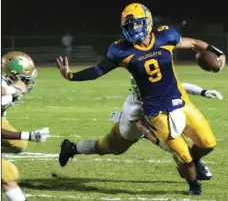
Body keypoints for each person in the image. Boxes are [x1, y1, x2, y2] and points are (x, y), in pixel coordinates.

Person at [56, 3, 226, 195]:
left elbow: (191, 49)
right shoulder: (121, 50)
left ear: (147, 22)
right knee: (113, 146)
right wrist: (72, 76)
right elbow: (98, 70)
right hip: (141, 110)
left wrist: (216, 57)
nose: (133, 29)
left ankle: (188, 163)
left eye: (136, 24)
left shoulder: (165, 36)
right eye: (129, 26)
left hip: (176, 103)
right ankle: (73, 148)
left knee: (201, 145)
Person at [59, 77, 222, 183]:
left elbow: (180, 86)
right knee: (105, 147)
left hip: (154, 122)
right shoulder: (135, 108)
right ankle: (71, 148)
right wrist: (160, 143)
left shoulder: (158, 89)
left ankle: (193, 165)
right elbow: (144, 129)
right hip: (132, 131)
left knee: (177, 142)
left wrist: (203, 91)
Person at [1, 51, 50, 201]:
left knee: (18, 145)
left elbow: (22, 88)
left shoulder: (8, 84)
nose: (26, 82)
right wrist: (27, 135)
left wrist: (12, 89)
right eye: (23, 78)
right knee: (8, 173)